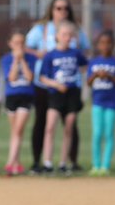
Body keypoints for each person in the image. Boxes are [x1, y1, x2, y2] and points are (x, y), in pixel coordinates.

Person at [26, 0, 89, 173]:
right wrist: (39, 54)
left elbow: (86, 55)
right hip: (46, 85)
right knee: (43, 123)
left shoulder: (76, 30)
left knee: (70, 125)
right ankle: (41, 162)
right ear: (51, 9)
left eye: (65, 8)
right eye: (58, 8)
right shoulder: (42, 29)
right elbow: (25, 47)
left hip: (71, 87)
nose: (62, 12)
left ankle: (68, 162)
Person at [37, 21, 87, 175]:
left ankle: (63, 163)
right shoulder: (51, 55)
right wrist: (56, 84)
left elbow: (85, 67)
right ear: (57, 36)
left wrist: (78, 79)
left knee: (68, 127)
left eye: (70, 35)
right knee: (50, 127)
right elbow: (42, 77)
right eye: (64, 34)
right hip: (56, 94)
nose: (67, 37)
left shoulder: (75, 53)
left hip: (72, 93)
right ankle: (47, 162)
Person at [85, 30, 115, 176]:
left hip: (112, 103)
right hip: (97, 102)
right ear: (98, 45)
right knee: (97, 133)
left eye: (108, 43)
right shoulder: (94, 62)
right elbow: (88, 82)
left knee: (108, 133)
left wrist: (109, 75)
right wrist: (96, 75)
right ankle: (95, 165)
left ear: (113, 45)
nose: (105, 46)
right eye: (102, 43)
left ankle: (105, 165)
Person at [0, 31, 37, 176]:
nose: (19, 46)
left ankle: (10, 162)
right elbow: (12, 78)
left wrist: (22, 60)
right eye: (16, 43)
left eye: (22, 43)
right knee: (15, 131)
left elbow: (29, 77)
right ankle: (16, 163)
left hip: (26, 96)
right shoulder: (6, 59)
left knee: (18, 129)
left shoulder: (31, 58)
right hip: (11, 96)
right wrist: (16, 61)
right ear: (10, 44)